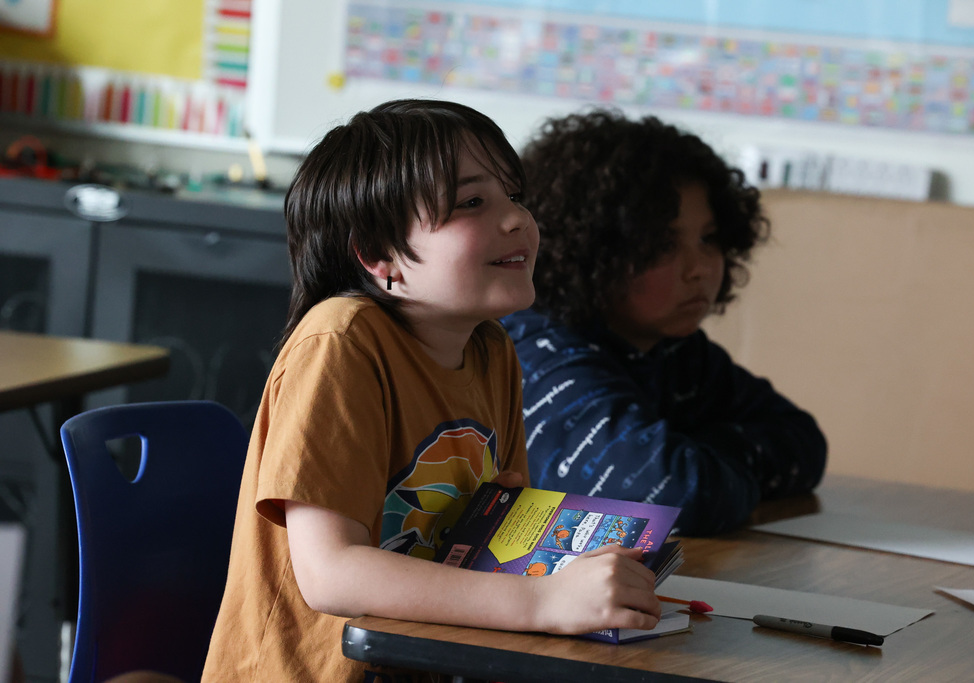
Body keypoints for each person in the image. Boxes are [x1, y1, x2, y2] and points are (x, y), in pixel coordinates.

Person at [201, 100, 662, 682]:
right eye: (472, 203)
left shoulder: (491, 348)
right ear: (380, 257)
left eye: (513, 195)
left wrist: (584, 569)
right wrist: (546, 602)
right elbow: (332, 575)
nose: (516, 219)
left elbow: (501, 526)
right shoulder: (341, 343)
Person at [501, 108, 827, 536]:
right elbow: (673, 494)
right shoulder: (541, 353)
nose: (699, 269)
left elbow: (803, 444)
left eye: (708, 239)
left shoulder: (672, 351)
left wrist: (694, 450)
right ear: (590, 253)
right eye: (663, 246)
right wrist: (696, 455)